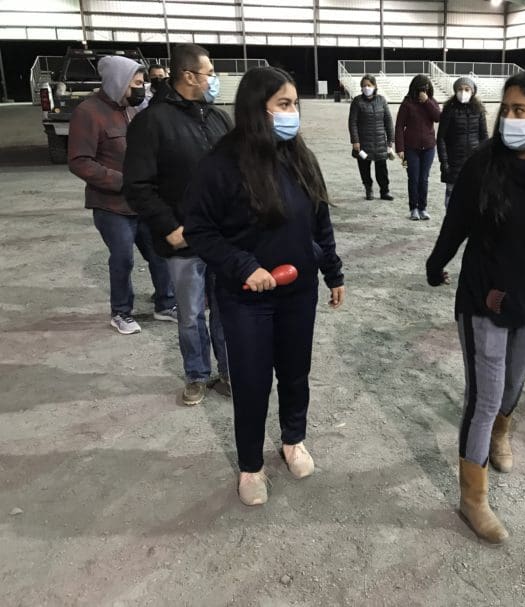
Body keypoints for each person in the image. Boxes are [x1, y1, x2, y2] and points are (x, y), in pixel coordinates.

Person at [425, 71, 525, 543]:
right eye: (507, 109)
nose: (509, 119)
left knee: (513, 387)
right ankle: (473, 499)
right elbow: (455, 223)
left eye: (521, 111)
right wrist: (436, 264)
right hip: (483, 299)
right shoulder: (484, 164)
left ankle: (502, 434)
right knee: (483, 397)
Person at [184, 67, 345, 506]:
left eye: (295, 104)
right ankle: (250, 466)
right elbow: (199, 230)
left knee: (295, 374)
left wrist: (332, 272)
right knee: (253, 383)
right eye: (285, 105)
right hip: (246, 299)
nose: (294, 114)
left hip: (298, 294)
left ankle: (293, 440)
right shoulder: (221, 164)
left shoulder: (299, 156)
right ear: (259, 110)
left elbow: (319, 220)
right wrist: (243, 266)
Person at [124, 44, 232, 406]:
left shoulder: (218, 119)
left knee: (227, 311)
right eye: (210, 73)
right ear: (189, 76)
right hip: (183, 240)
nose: (213, 80)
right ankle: (197, 375)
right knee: (189, 315)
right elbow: (137, 185)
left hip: (224, 239)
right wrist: (169, 226)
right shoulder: (151, 122)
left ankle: (230, 372)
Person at [68, 55, 175, 335]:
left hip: (142, 202)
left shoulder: (131, 109)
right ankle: (121, 312)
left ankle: (165, 304)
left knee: (159, 252)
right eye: (137, 84)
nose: (142, 89)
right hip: (111, 205)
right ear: (120, 82)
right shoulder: (88, 113)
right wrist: (124, 181)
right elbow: (79, 161)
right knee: (123, 258)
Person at [437, 76, 488, 209]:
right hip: (454, 162)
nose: (463, 92)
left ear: (472, 92)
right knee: (451, 199)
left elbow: (484, 137)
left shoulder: (478, 110)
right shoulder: (449, 110)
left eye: (466, 89)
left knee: (473, 200)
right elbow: (441, 138)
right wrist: (445, 162)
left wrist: (485, 159)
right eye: (460, 89)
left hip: (474, 161)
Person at [395, 75, 441, 221]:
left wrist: (426, 102)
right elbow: (399, 126)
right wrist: (400, 148)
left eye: (426, 88)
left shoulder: (432, 102)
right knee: (413, 178)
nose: (423, 91)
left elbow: (438, 117)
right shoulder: (407, 103)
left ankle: (423, 208)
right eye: (421, 88)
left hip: (428, 147)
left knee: (424, 178)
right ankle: (413, 208)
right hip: (411, 147)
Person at [348, 74, 395, 201]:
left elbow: (388, 120)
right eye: (363, 86)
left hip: (380, 141)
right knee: (364, 167)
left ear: (375, 86)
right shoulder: (357, 101)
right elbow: (352, 122)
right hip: (363, 143)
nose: (366, 88)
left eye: (369, 85)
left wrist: (390, 140)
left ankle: (384, 191)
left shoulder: (382, 100)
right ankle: (368, 189)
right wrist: (355, 141)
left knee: (382, 169)